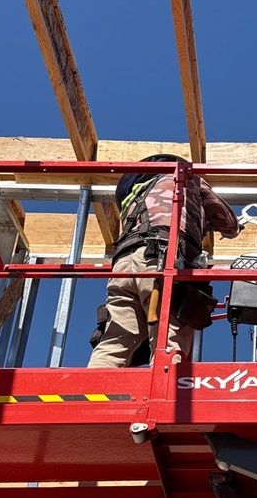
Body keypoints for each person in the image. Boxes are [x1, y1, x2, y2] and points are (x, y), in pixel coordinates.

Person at [88, 154, 239, 368]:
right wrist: (232, 226)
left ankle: (94, 393)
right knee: (169, 338)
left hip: (124, 265)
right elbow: (227, 221)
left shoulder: (134, 195)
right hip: (160, 261)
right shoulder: (181, 179)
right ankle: (164, 394)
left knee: (115, 341)